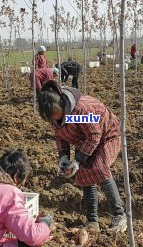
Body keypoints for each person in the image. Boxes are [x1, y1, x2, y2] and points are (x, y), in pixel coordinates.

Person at [37, 80, 127, 233]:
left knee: (99, 168)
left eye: (55, 115)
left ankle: (119, 215)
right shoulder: (56, 117)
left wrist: (78, 159)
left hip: (107, 135)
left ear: (61, 104)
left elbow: (94, 135)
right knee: (84, 173)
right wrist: (63, 157)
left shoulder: (79, 112)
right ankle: (92, 221)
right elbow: (60, 137)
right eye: (51, 118)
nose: (54, 120)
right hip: (86, 139)